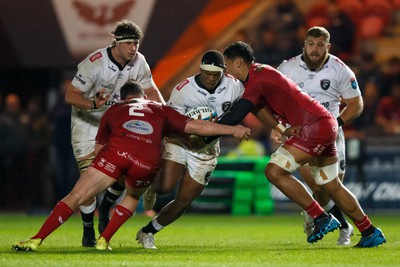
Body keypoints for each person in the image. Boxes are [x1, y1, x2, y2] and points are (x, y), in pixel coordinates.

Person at [12, 80, 250, 251]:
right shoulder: (159, 108)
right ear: (143, 97)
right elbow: (197, 128)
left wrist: (106, 171)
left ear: (124, 98)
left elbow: (98, 150)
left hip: (116, 153)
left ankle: (36, 239)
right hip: (146, 161)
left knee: (76, 195)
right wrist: (233, 129)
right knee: (133, 196)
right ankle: (104, 240)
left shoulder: (114, 109)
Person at [214, 41, 386, 248]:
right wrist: (281, 129)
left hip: (313, 127)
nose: (226, 70)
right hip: (324, 124)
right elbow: (258, 110)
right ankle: (369, 231)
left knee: (274, 172)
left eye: (227, 65)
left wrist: (206, 128)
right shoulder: (260, 75)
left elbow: (238, 113)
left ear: (238, 62)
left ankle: (319, 216)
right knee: (330, 185)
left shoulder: (256, 81)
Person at [64, 20, 165, 247]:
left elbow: (151, 91)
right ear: (116, 43)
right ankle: (88, 228)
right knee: (88, 181)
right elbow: (71, 96)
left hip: (118, 126)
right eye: (128, 43)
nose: (133, 48)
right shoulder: (94, 63)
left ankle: (106, 207)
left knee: (121, 172)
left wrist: (163, 116)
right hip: (87, 123)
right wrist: (93, 104)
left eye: (136, 43)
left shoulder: (139, 62)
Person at [135, 50, 245, 249]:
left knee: (184, 201)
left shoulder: (236, 87)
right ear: (200, 69)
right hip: (180, 141)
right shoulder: (183, 89)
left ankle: (148, 231)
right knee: (164, 188)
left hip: (208, 149)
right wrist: (190, 137)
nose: (211, 78)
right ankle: (152, 187)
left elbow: (246, 108)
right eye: (206, 73)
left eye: (215, 74)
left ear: (224, 71)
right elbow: (170, 123)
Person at [274, 26, 363, 245]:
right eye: (311, 44)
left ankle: (327, 219)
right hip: (300, 134)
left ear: (328, 46)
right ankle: (332, 222)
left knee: (330, 188)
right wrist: (278, 126)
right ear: (304, 44)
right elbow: (275, 101)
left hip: (330, 136)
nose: (315, 49)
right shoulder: (287, 68)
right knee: (316, 186)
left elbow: (355, 104)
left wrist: (335, 123)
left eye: (320, 45)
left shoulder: (340, 70)